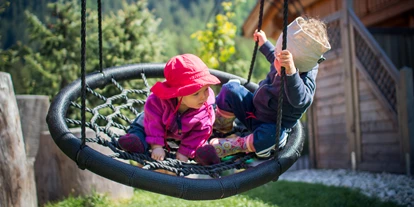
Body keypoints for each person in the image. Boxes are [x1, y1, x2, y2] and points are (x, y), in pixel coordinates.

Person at [204, 16, 331, 158]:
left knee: (274, 137)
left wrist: (291, 73)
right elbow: (273, 55)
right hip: (253, 110)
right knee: (231, 88)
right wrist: (264, 44)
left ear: (296, 66)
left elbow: (300, 100)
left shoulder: (304, 79)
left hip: (270, 125)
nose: (275, 60)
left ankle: (239, 144)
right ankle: (221, 125)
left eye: (279, 59)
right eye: (277, 55)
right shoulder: (280, 59)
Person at [118, 54, 221, 166]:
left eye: (206, 89)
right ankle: (137, 141)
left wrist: (185, 152)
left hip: (184, 135)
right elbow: (153, 122)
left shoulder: (205, 110)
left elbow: (201, 132)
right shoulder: (158, 101)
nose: (204, 97)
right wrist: (156, 146)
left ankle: (202, 155)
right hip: (151, 126)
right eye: (196, 93)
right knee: (141, 130)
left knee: (199, 143)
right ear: (178, 93)